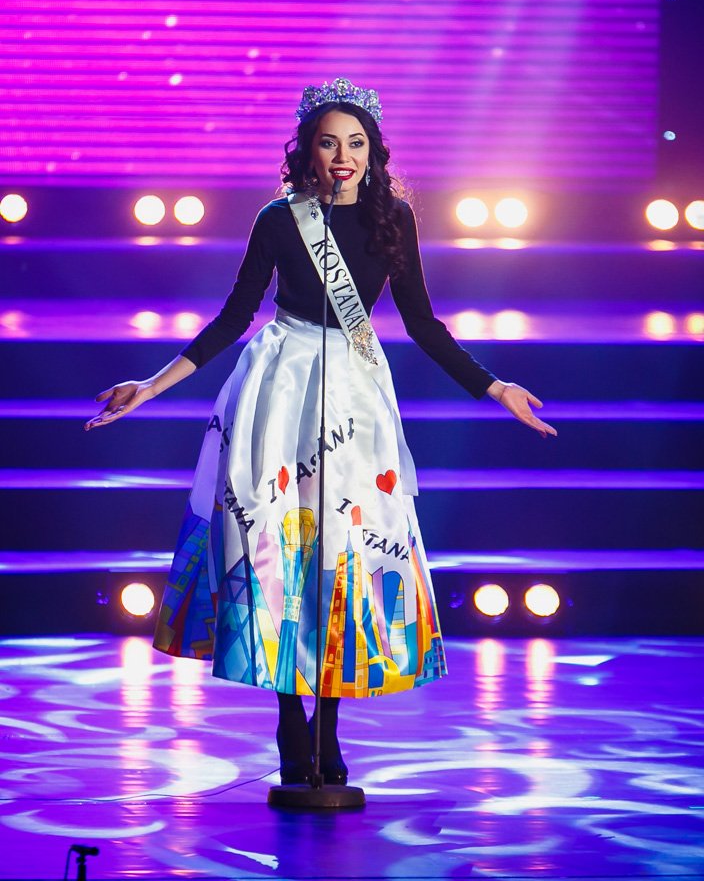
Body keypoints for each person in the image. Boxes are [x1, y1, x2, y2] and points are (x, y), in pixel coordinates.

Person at [85, 77, 556, 787]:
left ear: (374, 152)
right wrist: (151, 386)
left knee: (346, 550)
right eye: (329, 143)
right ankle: (288, 716)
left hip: (357, 394)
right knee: (274, 545)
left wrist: (495, 387)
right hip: (280, 387)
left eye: (356, 144)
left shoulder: (393, 218)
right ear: (307, 150)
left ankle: (329, 724)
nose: (343, 157)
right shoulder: (280, 219)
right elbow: (234, 316)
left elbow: (423, 325)